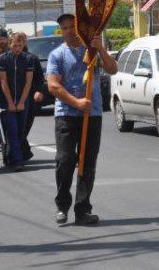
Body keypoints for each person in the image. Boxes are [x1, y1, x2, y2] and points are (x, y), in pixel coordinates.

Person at [46, 13, 118, 226]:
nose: (69, 31)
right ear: (61, 31)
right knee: (65, 160)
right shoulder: (57, 55)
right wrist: (76, 102)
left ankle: (83, 209)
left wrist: (100, 48)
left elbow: (113, 69)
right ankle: (62, 205)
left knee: (87, 163)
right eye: (65, 28)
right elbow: (53, 85)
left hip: (92, 114)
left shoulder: (91, 52)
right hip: (66, 115)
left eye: (73, 27)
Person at [0, 31, 35, 169]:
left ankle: (12, 157)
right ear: (10, 44)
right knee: (12, 130)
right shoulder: (3, 59)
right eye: (14, 45)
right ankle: (18, 161)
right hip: (6, 101)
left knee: (21, 131)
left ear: (23, 45)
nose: (17, 48)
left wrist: (22, 101)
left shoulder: (28, 59)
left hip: (23, 100)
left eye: (20, 45)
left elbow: (28, 82)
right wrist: (11, 103)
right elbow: (3, 81)